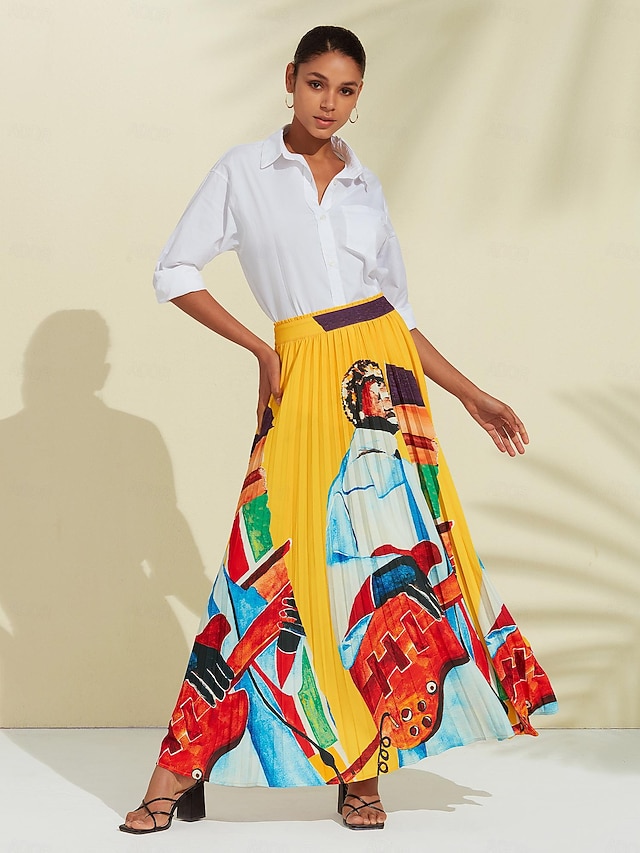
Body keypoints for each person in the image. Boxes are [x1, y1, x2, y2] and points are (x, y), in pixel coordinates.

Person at [120, 25, 557, 834]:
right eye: (317, 83)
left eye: (347, 90)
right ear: (290, 78)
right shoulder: (244, 172)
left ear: (360, 97)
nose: (330, 103)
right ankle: (177, 771)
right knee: (263, 570)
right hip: (302, 371)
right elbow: (173, 270)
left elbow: (396, 310)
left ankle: (364, 773)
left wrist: (470, 394)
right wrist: (261, 349)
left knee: (379, 571)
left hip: (384, 380)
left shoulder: (365, 186)